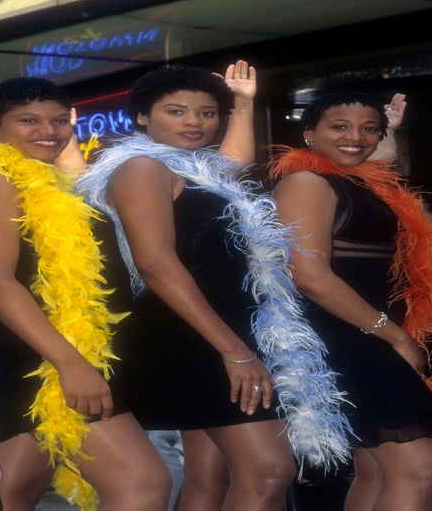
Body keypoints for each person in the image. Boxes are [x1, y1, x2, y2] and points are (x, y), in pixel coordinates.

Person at [78, 65, 352, 511]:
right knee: (269, 471)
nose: (194, 121)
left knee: (210, 475)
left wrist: (242, 102)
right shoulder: (141, 167)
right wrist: (234, 350)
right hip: (193, 334)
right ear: (143, 117)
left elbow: (234, 165)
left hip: (213, 329)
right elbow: (154, 263)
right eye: (177, 111)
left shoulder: (194, 167)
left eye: (207, 113)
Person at [0, 77, 171, 511]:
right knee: (142, 484)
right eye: (28, 120)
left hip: (57, 352)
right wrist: (70, 363)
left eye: (57, 120)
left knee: (14, 492)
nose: (47, 130)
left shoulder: (50, 181)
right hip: (37, 362)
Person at [268, 89, 432, 511]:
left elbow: (378, 173)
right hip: (351, 340)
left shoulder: (356, 181)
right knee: (420, 469)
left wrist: (387, 131)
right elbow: (309, 276)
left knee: (377, 470)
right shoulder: (305, 182)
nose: (356, 137)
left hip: (368, 337)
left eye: (369, 129)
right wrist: (396, 338)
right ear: (309, 134)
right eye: (339, 127)